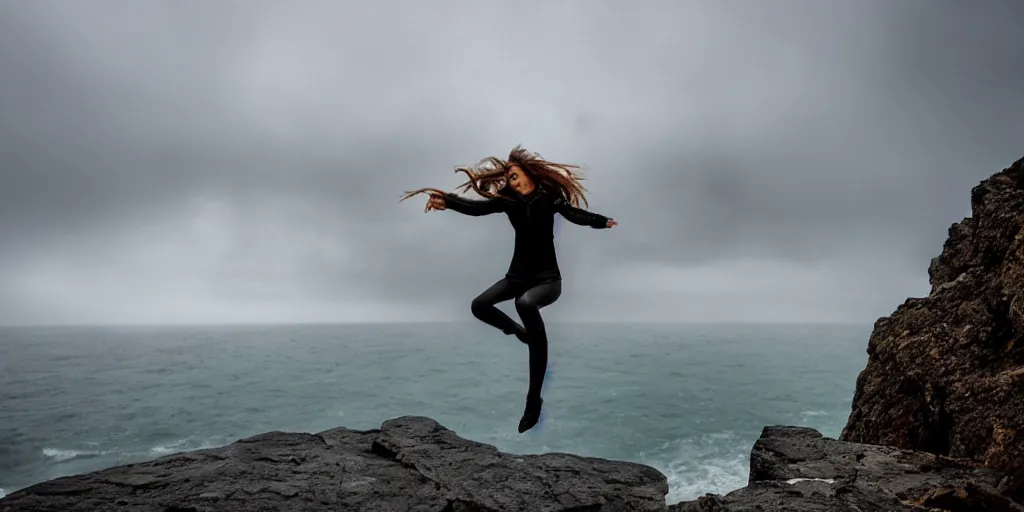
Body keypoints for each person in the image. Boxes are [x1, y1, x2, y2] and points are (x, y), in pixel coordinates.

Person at [401, 145, 617, 433]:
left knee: (525, 304)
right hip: (516, 277)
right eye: (509, 178)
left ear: (528, 173)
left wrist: (601, 222)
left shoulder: (548, 197)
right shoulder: (509, 201)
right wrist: (447, 201)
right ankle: (521, 333)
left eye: (514, 175)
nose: (511, 181)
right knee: (479, 305)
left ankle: (532, 402)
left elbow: (574, 214)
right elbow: (476, 209)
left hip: (547, 281)